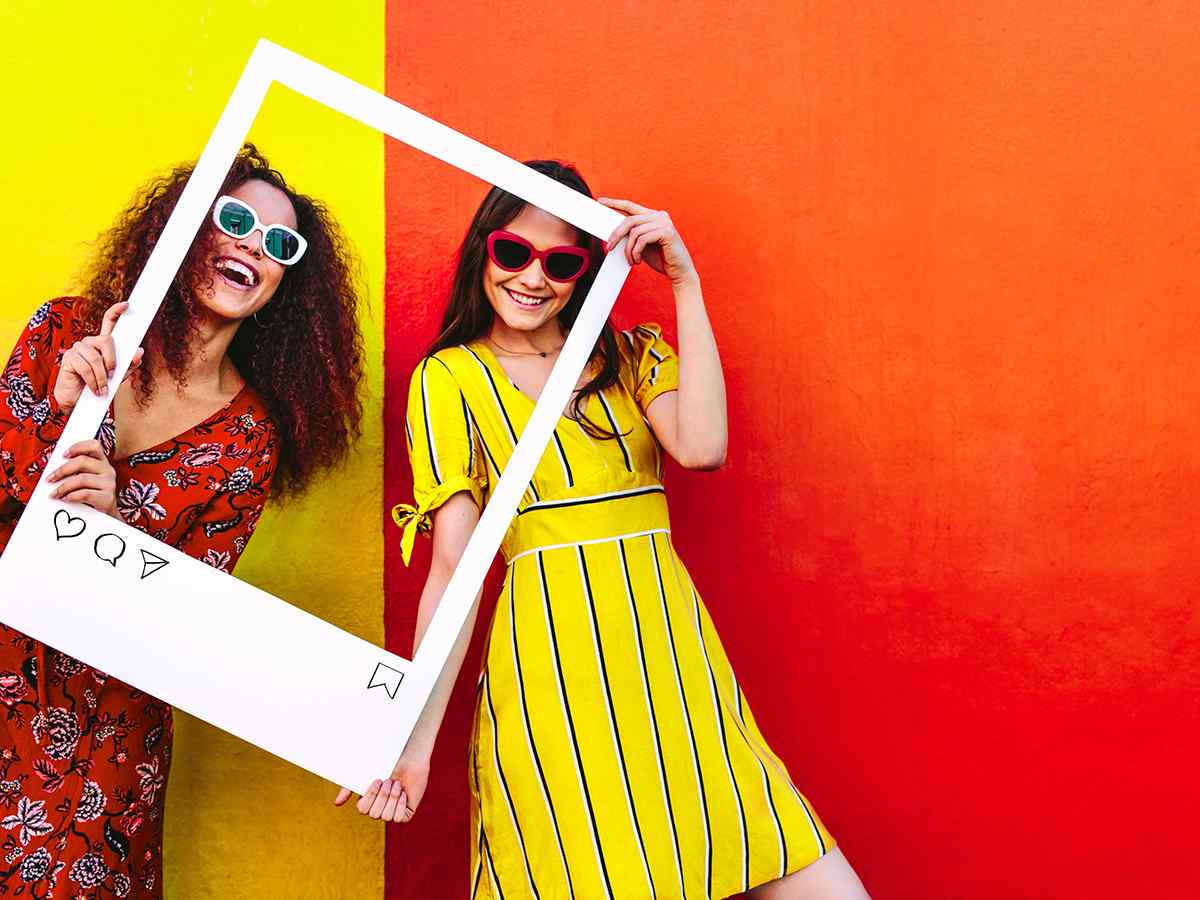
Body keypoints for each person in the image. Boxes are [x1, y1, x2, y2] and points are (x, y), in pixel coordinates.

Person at [338, 160, 870, 899]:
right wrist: (414, 745)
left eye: (561, 262)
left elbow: (702, 447)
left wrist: (684, 280)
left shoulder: (626, 358)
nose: (533, 278)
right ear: (483, 250)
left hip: (675, 674)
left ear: (584, 271)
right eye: (513, 252)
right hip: (551, 685)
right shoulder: (448, 380)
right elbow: (453, 569)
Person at [0, 144, 364, 897]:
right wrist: (63, 419)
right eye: (233, 221)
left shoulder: (248, 436)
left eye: (279, 245)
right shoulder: (66, 334)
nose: (252, 248)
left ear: (283, 287)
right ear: (187, 229)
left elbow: (188, 618)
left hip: (105, 738)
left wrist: (110, 534)